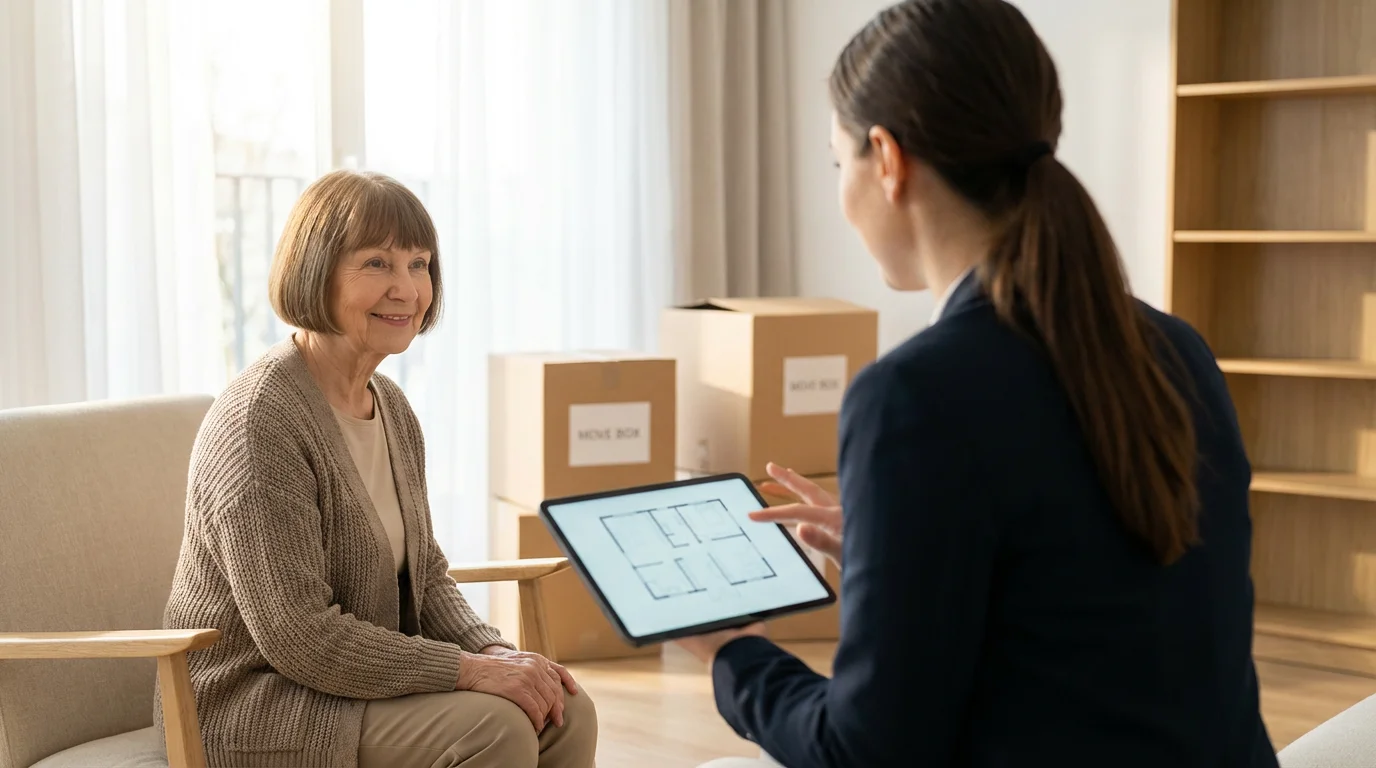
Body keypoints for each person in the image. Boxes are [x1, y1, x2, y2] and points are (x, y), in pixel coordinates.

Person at [676, 1, 1278, 767]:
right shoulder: (1179, 350)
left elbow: (865, 753)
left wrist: (735, 657)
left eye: (839, 162)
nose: (842, 192)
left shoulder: (914, 396)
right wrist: (889, 549)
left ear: (888, 160)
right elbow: (1088, 596)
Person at [158, 169, 597, 768]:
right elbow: (300, 637)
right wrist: (467, 672)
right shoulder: (261, 420)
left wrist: (497, 655)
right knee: (496, 729)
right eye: (377, 263)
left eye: (419, 264)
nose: (408, 289)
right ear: (315, 272)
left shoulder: (390, 406)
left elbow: (428, 576)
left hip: (352, 686)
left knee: (566, 710)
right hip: (253, 704)